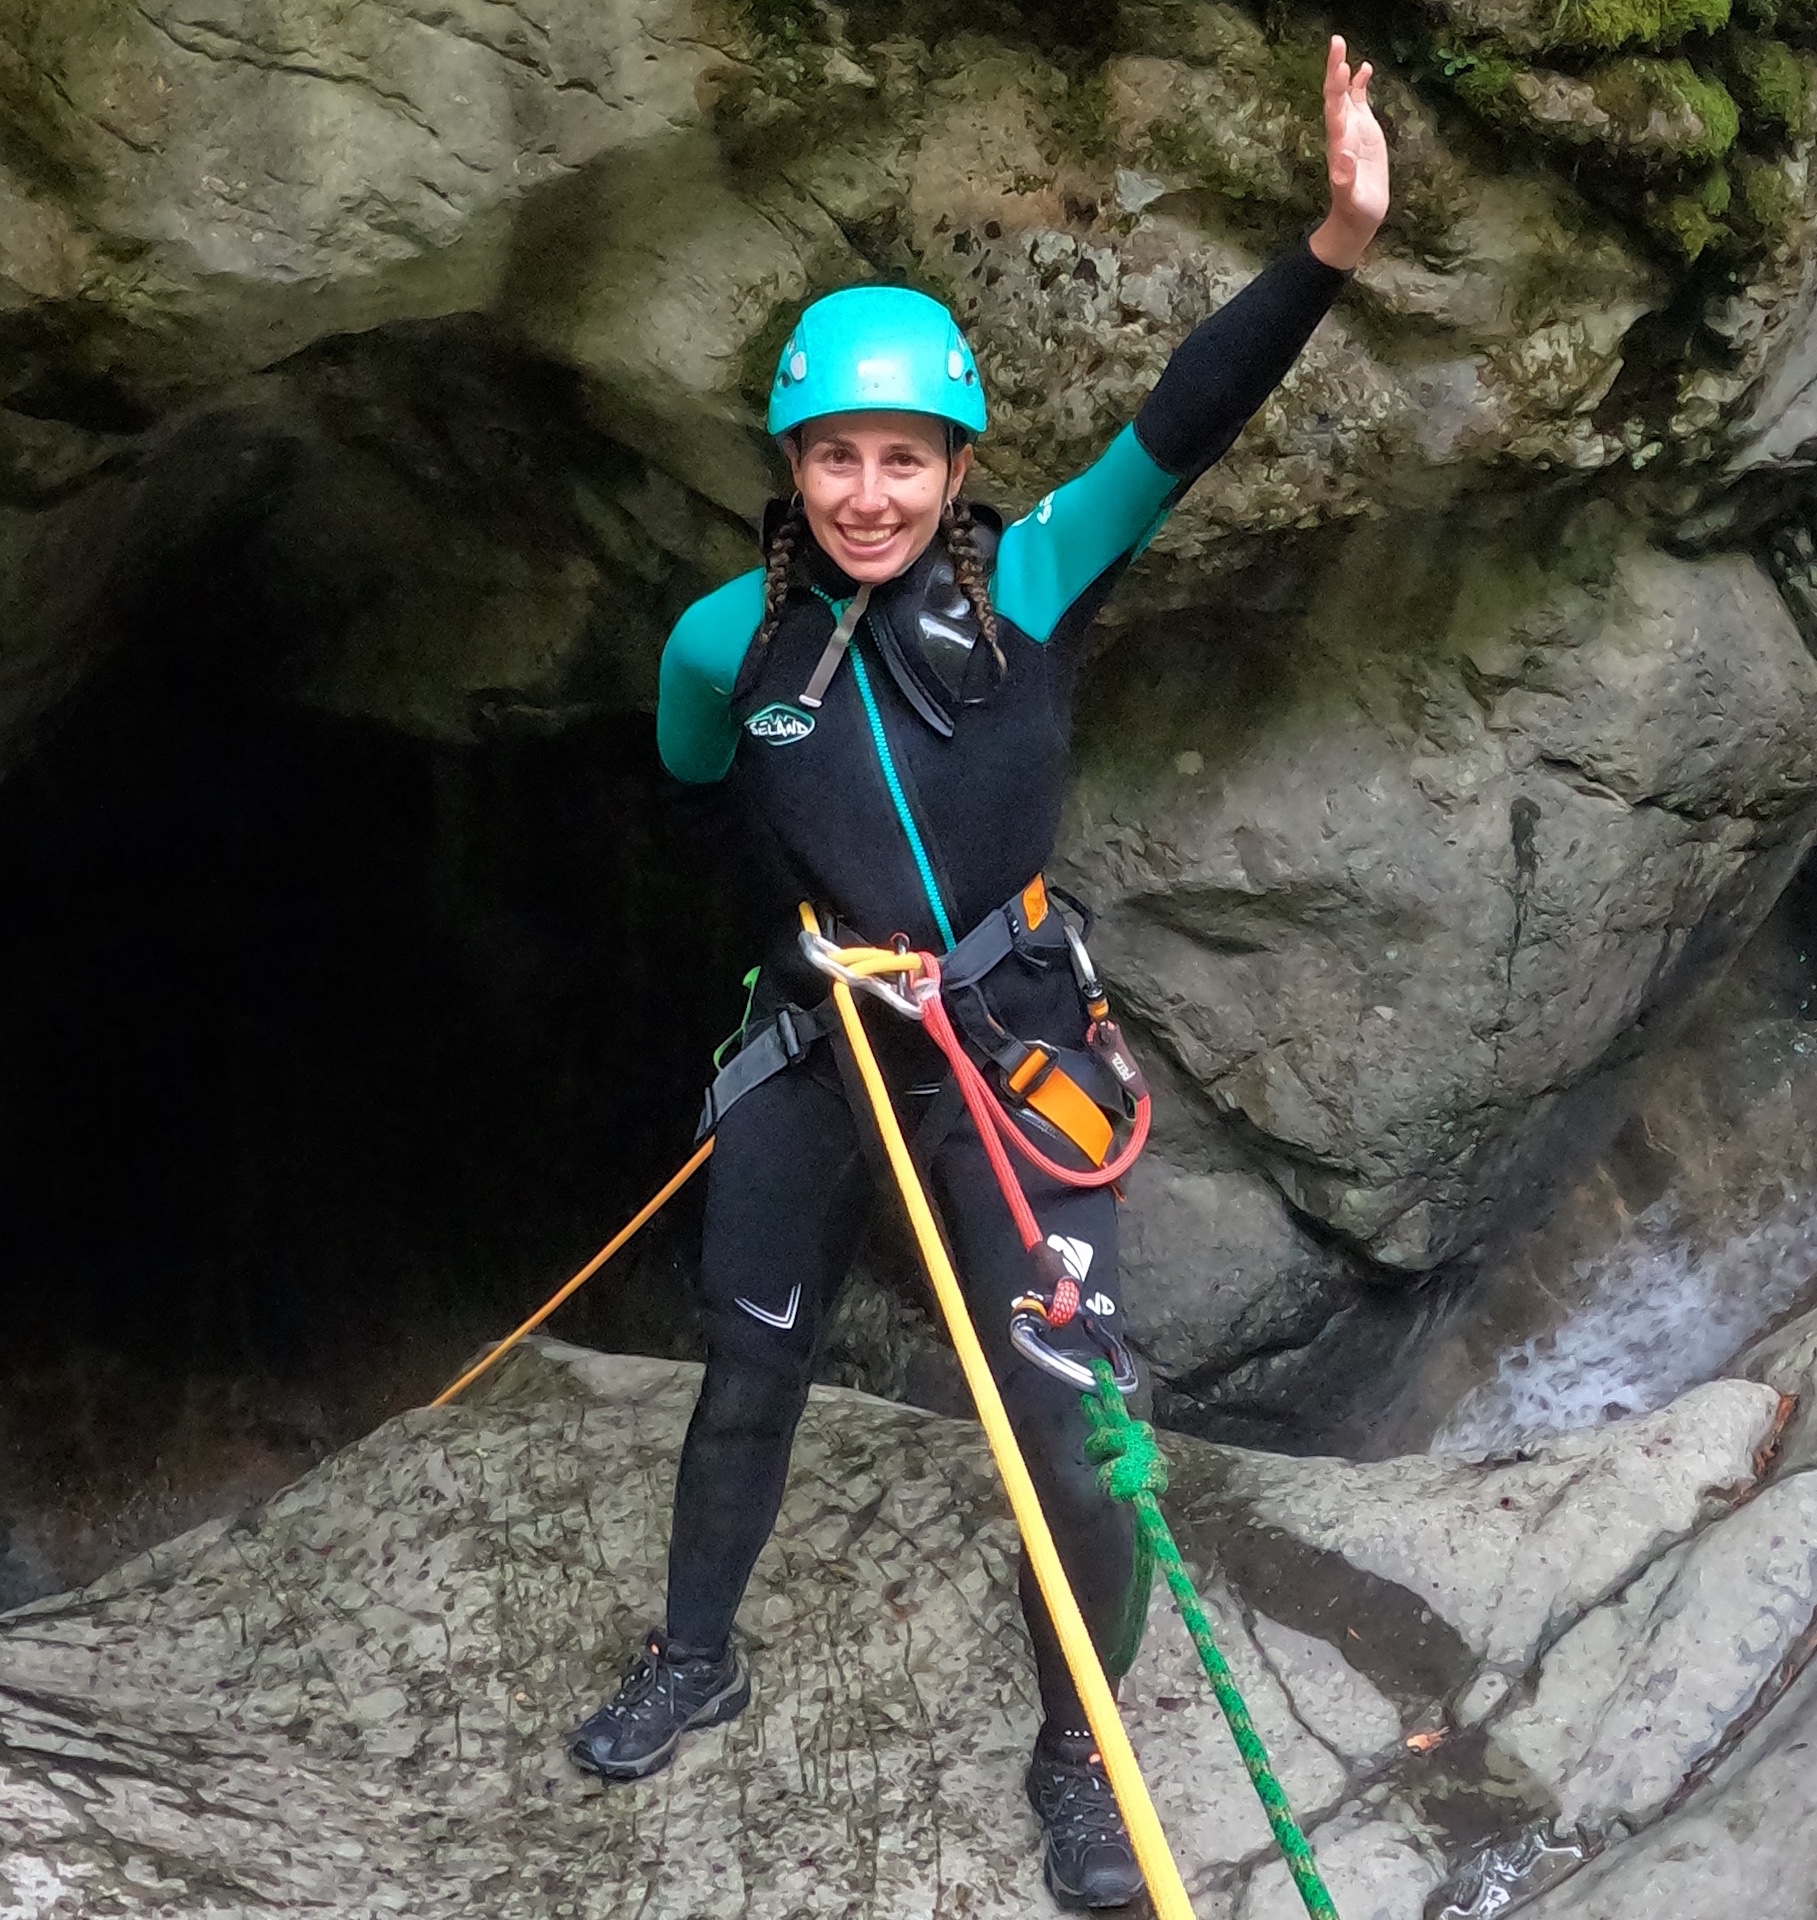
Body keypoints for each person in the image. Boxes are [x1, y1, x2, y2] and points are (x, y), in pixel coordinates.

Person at [568, 37, 1389, 1911]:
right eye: (837, 458)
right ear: (790, 466)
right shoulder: (722, 641)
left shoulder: (1030, 580)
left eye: (905, 459)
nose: (870, 492)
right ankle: (698, 1653)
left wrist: (1333, 243)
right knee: (747, 1364)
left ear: (956, 465)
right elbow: (706, 813)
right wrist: (796, 954)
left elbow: (1185, 419)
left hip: (1006, 1033)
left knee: (1075, 1435)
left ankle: (1083, 1760)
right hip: (819, 1036)